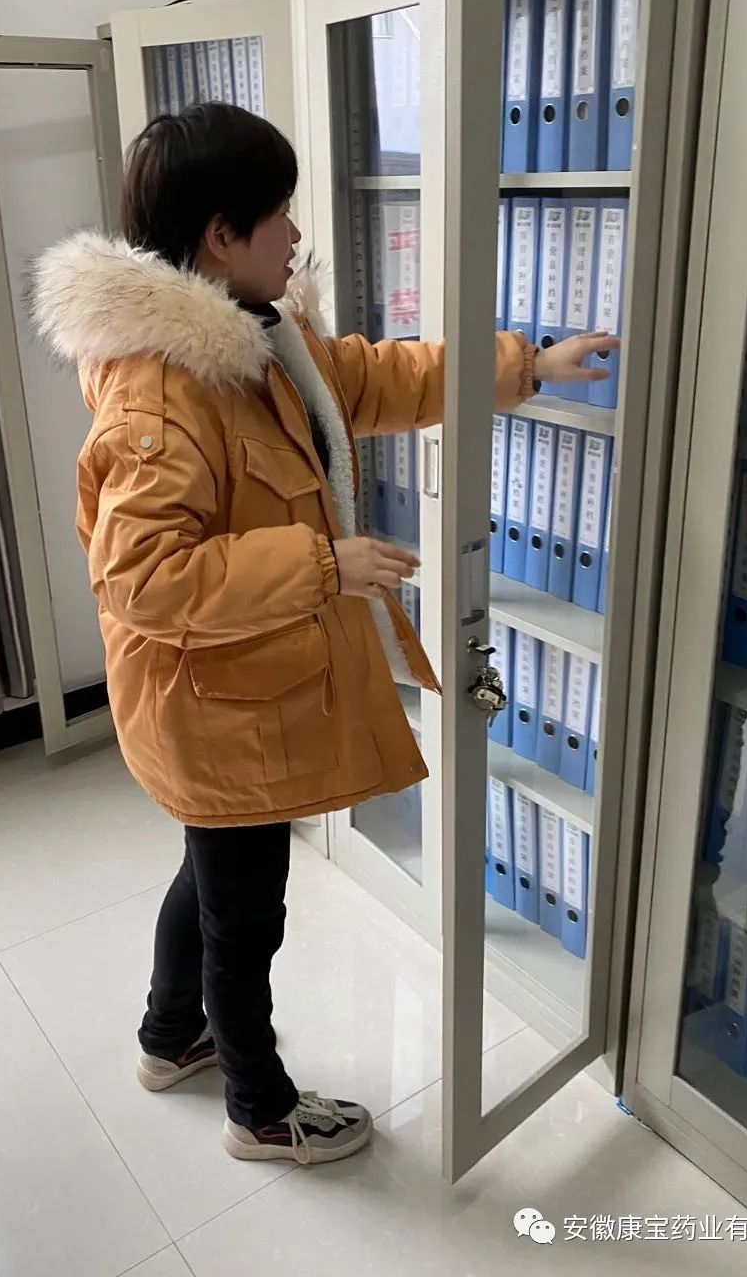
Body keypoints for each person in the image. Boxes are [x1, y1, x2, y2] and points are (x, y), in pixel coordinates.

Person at [32, 103, 617, 1168]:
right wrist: (321, 564)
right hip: (216, 710)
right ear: (222, 235)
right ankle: (260, 1112)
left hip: (229, 700)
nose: (296, 233)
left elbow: (377, 378)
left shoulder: (259, 338)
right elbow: (141, 579)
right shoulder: (162, 394)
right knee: (243, 918)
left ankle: (169, 1038)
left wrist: (529, 364)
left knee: (210, 876)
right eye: (279, 214)